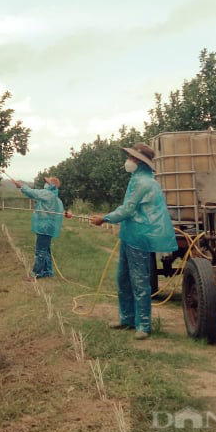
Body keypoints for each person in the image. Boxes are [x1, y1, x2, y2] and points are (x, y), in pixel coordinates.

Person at [91, 143, 178, 339]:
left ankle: (144, 326)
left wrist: (104, 218)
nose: (129, 161)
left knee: (139, 282)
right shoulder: (137, 179)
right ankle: (127, 318)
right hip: (129, 235)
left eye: (133, 158)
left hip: (139, 236)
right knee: (123, 279)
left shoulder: (144, 183)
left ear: (141, 162)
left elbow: (127, 209)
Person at [13, 176, 65, 279]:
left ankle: (35, 274)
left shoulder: (47, 194)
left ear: (51, 185)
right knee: (46, 250)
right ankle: (47, 272)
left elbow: (33, 193)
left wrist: (21, 186)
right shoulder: (55, 197)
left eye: (47, 182)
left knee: (40, 251)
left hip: (44, 227)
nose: (45, 184)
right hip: (49, 227)